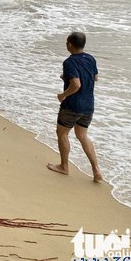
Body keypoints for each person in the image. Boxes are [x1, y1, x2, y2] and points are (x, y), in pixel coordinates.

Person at [47, 31, 103, 182]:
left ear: (70, 44)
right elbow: (95, 78)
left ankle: (64, 167)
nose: (66, 44)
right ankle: (96, 170)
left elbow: (76, 85)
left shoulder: (69, 62)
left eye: (66, 42)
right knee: (82, 136)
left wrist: (63, 95)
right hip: (88, 105)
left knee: (62, 133)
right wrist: (67, 77)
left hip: (72, 106)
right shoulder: (90, 58)